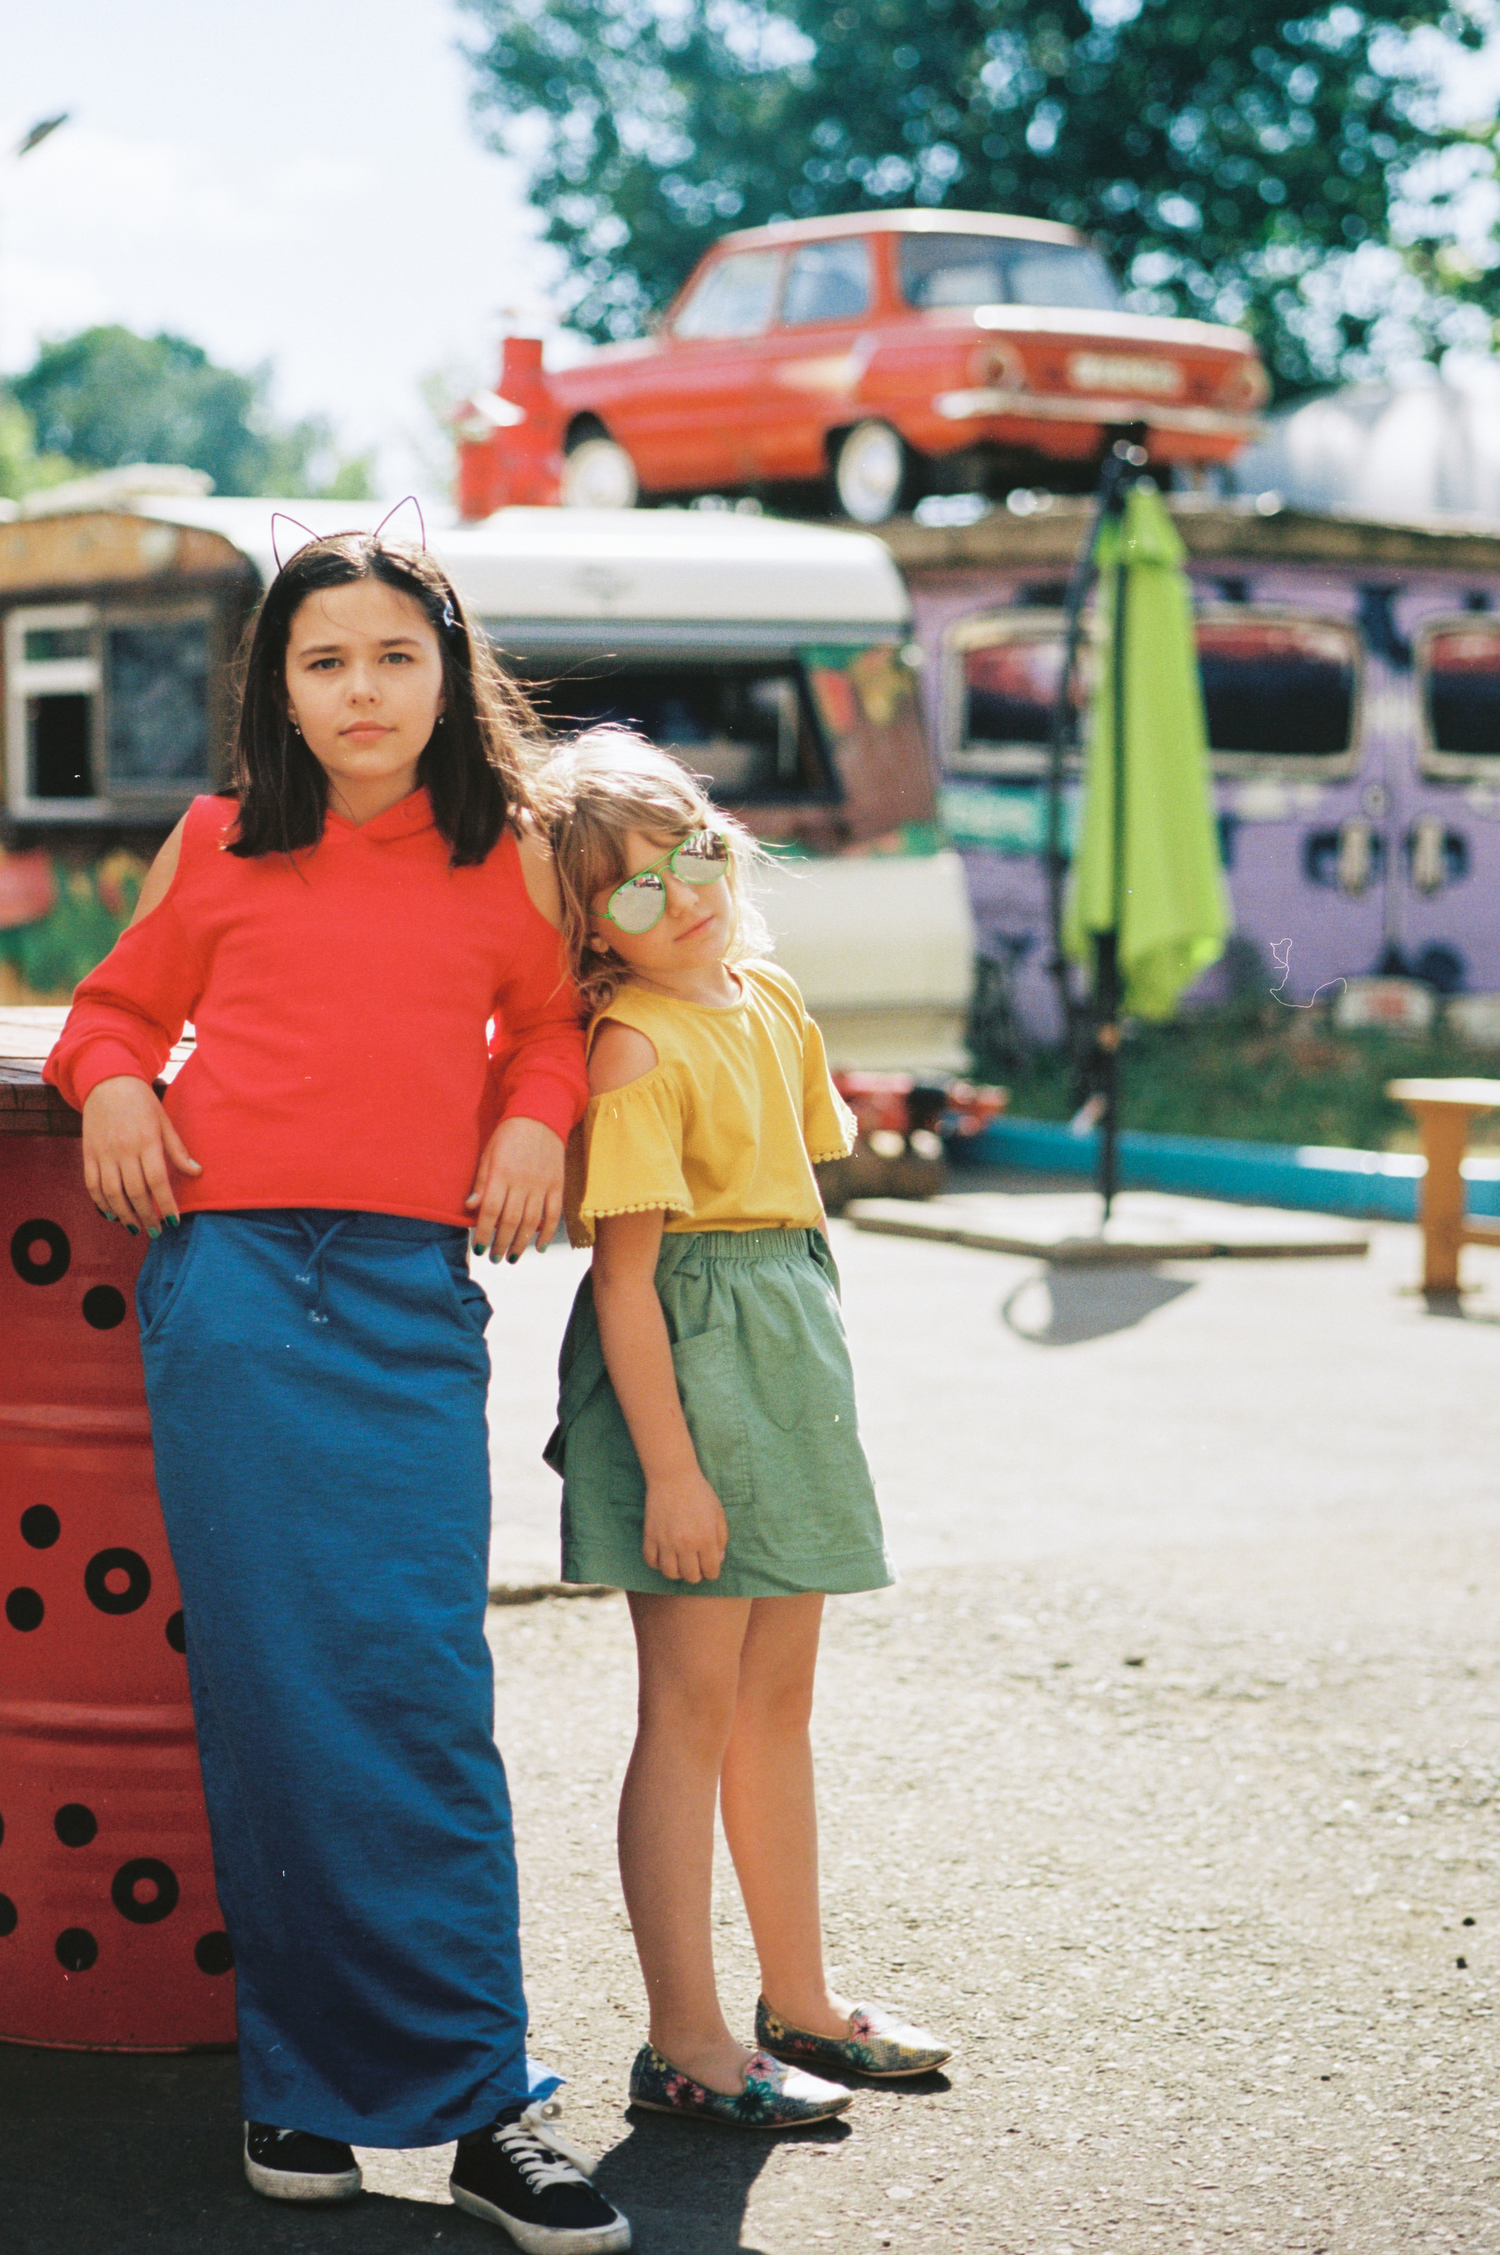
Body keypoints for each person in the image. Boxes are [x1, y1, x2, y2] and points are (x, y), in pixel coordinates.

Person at [44, 518, 630, 2254]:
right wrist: (117, 1092)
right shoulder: (220, 839)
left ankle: (480, 2108)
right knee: (274, 1691)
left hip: (400, 1298)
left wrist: (535, 1120)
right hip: (227, 1292)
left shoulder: (509, 851)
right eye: (323, 662)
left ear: (447, 672)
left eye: (392, 655)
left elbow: (549, 1026)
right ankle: (296, 2082)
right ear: (275, 690)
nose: (360, 689)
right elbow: (105, 1010)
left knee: (416, 1686)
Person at [537, 727, 951, 2130]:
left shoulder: (765, 996)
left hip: (780, 1370)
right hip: (690, 1384)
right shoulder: (632, 1045)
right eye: (632, 894)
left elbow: (796, 1203)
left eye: (692, 859)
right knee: (691, 1711)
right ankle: (684, 2040)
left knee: (779, 1703)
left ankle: (800, 2001)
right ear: (584, 929)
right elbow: (630, 1279)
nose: (683, 900)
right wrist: (670, 1469)